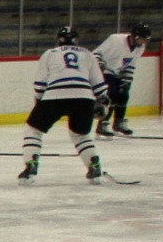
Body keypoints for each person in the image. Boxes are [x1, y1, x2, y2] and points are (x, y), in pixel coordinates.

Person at [18, 27, 108, 184]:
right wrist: (102, 100)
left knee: (34, 130)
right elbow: (99, 85)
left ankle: (31, 165)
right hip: (84, 97)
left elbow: (40, 84)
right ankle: (94, 164)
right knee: (80, 135)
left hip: (54, 96)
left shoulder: (50, 54)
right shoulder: (87, 53)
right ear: (76, 40)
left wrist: (39, 100)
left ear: (58, 40)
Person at [94, 22, 150, 137]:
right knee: (111, 95)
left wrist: (127, 80)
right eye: (143, 39)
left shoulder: (140, 48)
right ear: (135, 36)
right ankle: (103, 124)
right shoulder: (116, 40)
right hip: (105, 70)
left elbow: (131, 65)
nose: (144, 42)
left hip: (119, 73)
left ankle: (119, 122)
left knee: (124, 94)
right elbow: (96, 54)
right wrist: (99, 65)